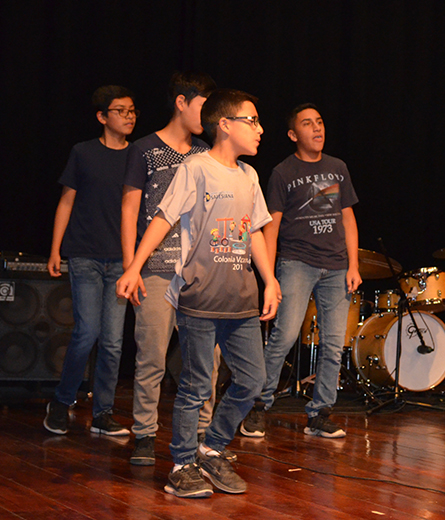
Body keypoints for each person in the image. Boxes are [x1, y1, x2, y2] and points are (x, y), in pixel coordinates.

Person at [117, 89, 279, 498]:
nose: (260, 130)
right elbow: (163, 217)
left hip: (239, 298)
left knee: (253, 379)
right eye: (252, 120)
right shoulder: (196, 168)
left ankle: (211, 448)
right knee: (195, 384)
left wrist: (270, 280)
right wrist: (134, 267)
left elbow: (255, 230)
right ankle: (182, 464)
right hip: (200, 297)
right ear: (225, 125)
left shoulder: (250, 176)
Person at [239, 103, 360, 440]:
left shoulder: (338, 168)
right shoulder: (282, 172)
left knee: (334, 344)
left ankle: (320, 413)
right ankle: (258, 405)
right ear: (293, 135)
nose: (317, 129)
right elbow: (271, 228)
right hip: (297, 263)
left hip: (336, 267)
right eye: (308, 124)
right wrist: (271, 278)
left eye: (320, 122)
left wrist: (353, 264)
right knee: (285, 336)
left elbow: (348, 218)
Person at [121, 71, 221, 466]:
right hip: (157, 268)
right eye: (203, 106)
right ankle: (145, 432)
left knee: (206, 359)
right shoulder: (145, 149)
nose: (209, 116)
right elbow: (130, 209)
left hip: (198, 273)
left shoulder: (205, 153)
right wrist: (133, 266)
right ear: (182, 102)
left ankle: (203, 431)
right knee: (152, 356)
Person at [44, 85, 139, 437]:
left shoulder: (138, 155)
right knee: (87, 332)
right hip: (84, 254)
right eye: (120, 111)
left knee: (114, 341)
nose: (129, 116)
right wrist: (56, 250)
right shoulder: (83, 153)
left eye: (132, 111)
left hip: (120, 260)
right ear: (102, 117)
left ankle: (103, 413)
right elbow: (66, 201)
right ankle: (62, 400)